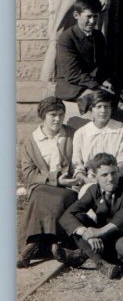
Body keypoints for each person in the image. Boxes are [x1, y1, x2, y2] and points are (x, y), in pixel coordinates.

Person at [17, 97, 78, 268]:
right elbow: (29, 173)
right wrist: (53, 179)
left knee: (59, 198)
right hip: (41, 186)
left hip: (68, 186)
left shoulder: (72, 135)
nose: (57, 119)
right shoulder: (31, 140)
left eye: (61, 114)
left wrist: (68, 179)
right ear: (43, 116)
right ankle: (45, 244)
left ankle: (36, 244)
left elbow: (80, 161)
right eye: (52, 115)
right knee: (40, 194)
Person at [54, 0, 114, 109]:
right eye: (88, 17)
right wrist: (96, 86)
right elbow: (72, 74)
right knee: (98, 100)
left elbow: (102, 65)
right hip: (71, 85)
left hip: (92, 83)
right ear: (76, 15)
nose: (92, 21)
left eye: (95, 16)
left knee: (114, 97)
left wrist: (106, 81)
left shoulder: (98, 36)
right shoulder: (66, 38)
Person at [71, 90, 123, 187]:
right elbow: (77, 164)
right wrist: (86, 179)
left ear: (111, 109)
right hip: (91, 180)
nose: (103, 111)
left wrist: (112, 177)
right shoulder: (81, 133)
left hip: (116, 178)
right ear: (91, 109)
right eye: (99, 107)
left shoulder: (122, 129)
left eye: (106, 106)